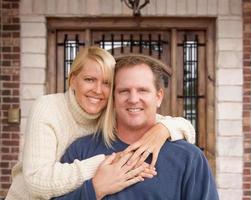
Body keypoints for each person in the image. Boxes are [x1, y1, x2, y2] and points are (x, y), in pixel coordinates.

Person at [6, 47, 195, 200]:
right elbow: (37, 182)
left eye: (106, 83)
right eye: (89, 80)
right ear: (72, 80)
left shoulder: (109, 111)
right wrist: (105, 164)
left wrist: (164, 129)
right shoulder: (48, 107)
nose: (98, 90)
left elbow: (166, 122)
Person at [52, 54, 219, 200]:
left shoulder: (189, 158)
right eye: (124, 91)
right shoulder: (81, 150)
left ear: (158, 97)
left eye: (143, 90)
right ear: (113, 98)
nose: (133, 99)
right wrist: (95, 190)